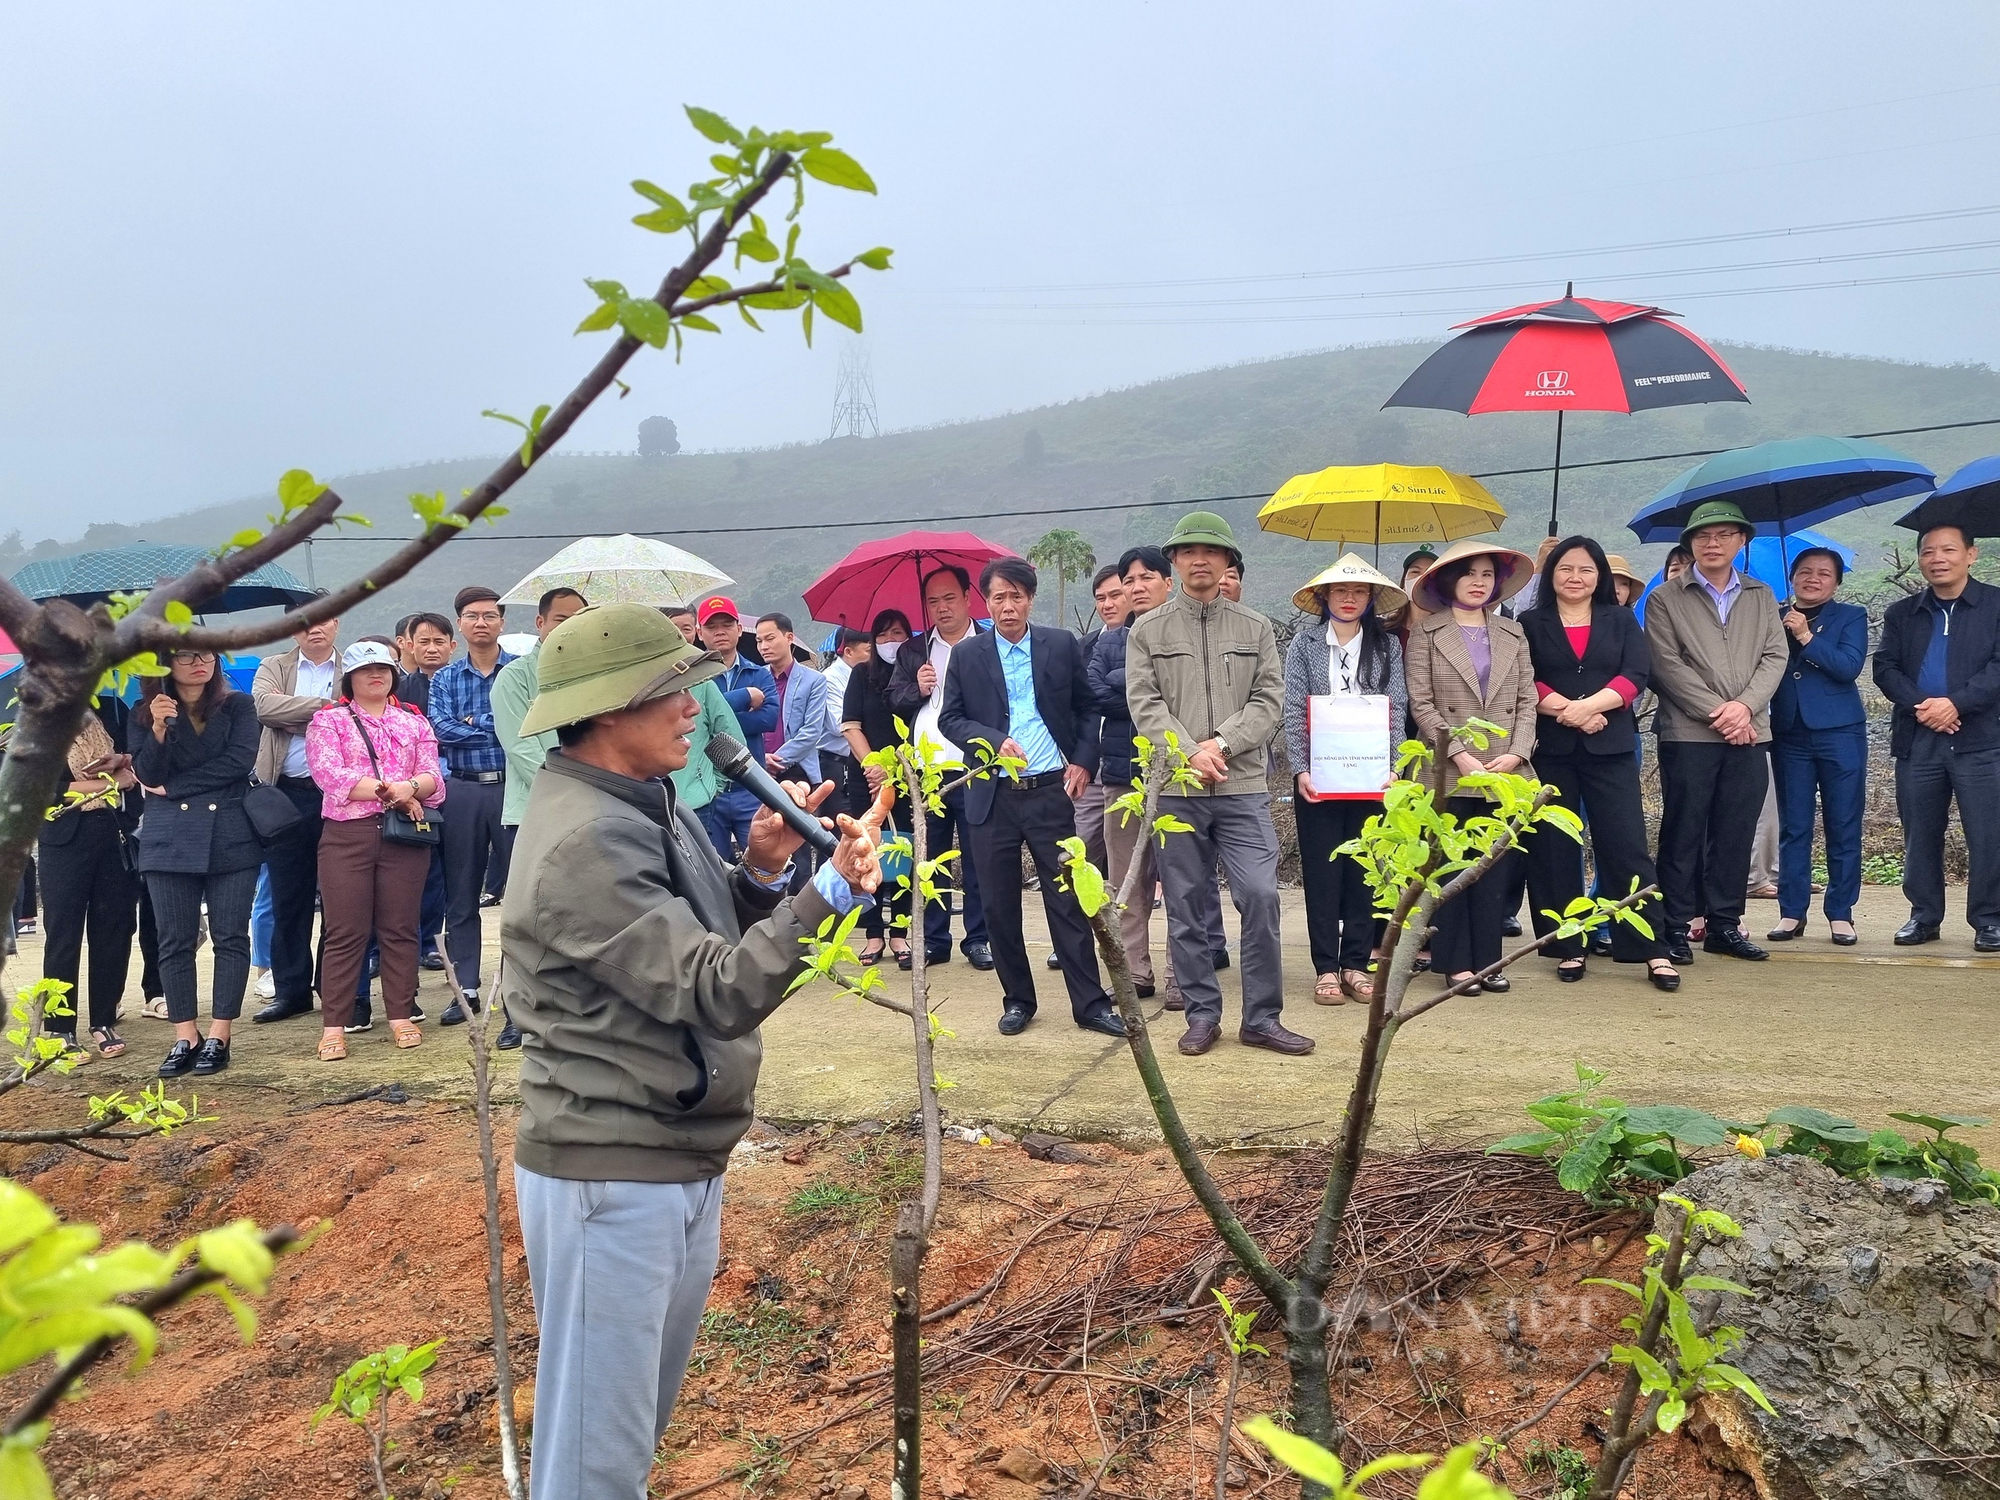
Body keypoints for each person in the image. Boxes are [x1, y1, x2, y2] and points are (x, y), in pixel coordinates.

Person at [499, 603, 880, 1500]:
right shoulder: (587, 837)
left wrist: (757, 877)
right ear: (604, 710)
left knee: (625, 1436)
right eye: (672, 692)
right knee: (595, 1463)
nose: (694, 711)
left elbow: (691, 956)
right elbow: (720, 991)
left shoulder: (639, 802)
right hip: (612, 1170)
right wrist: (826, 892)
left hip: (668, 1154)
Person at [1126, 512, 1307, 1057]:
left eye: (1211, 550)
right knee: (1185, 903)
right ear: (1175, 562)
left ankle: (1262, 1018)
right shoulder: (1147, 630)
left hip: (1243, 785)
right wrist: (1188, 752)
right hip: (1178, 789)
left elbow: (1269, 701)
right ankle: (1203, 1014)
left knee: (1260, 895)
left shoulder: (1254, 628)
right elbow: (1144, 702)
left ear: (1229, 561)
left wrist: (1220, 745)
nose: (1199, 559)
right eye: (1187, 551)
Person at [938, 558, 1122, 1037]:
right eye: (998, 597)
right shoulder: (968, 654)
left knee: (1067, 900)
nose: (1008, 605)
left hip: (1049, 792)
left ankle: (1091, 1004)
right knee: (999, 905)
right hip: (991, 797)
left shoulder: (1059, 645)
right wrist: (991, 740)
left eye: (1016, 596)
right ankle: (1018, 999)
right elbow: (949, 719)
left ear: (1030, 599)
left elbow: (1088, 708)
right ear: (986, 602)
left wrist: (1083, 761)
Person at [1517, 537, 1677, 991]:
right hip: (1553, 750)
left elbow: (1635, 675)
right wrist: (1567, 710)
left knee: (1625, 845)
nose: (1575, 577)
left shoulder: (1621, 618)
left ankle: (1650, 948)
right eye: (1565, 568)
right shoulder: (1530, 622)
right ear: (1551, 575)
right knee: (1555, 849)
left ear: (1600, 577)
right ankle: (1567, 945)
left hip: (1610, 747)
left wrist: (1589, 710)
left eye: (1586, 570)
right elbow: (1524, 679)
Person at [1645, 500, 1788, 964]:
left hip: (1750, 733)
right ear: (1689, 545)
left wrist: (1744, 708)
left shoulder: (1761, 595)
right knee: (1684, 830)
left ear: (1742, 541)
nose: (1713, 543)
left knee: (1735, 830)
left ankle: (1725, 924)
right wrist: (1719, 713)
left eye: (1725, 535)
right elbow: (1666, 665)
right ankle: (1675, 926)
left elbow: (1774, 656)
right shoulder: (1666, 598)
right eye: (1703, 536)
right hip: (1689, 734)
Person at [1405, 540, 1538, 993]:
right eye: (1469, 574)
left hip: (1505, 771)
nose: (1479, 582)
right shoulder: (1426, 633)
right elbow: (1421, 703)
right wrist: (1458, 753)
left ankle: (1488, 961)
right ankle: (1454, 962)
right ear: (1449, 582)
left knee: (1494, 867)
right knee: (1452, 864)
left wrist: (1518, 754)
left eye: (1486, 574)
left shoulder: (1513, 633)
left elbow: (1527, 700)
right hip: (1448, 769)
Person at [304, 639, 446, 1060]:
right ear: (350, 678)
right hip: (348, 836)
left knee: (401, 927)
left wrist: (411, 788)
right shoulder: (328, 722)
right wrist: (399, 793)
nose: (376, 675)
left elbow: (433, 777)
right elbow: (330, 775)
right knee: (344, 931)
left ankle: (401, 1015)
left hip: (405, 837)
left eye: (383, 669)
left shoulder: (414, 722)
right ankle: (334, 1024)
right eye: (366, 670)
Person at [130, 647, 263, 1078]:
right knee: (174, 939)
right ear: (166, 665)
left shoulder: (238, 704)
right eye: (186, 656)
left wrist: (176, 787)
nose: (198, 663)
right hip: (168, 838)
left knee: (230, 936)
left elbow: (239, 762)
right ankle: (185, 1034)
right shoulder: (142, 711)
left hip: (230, 832)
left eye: (206, 654)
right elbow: (148, 775)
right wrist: (157, 729)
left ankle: (220, 1033)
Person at [1283, 554, 1407, 1005]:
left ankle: (1356, 963)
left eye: (1358, 591)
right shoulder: (1304, 644)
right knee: (1323, 871)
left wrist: (1394, 768)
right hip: (1320, 775)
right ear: (1324, 597)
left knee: (1365, 869)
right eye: (1340, 591)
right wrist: (1300, 769)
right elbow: (1294, 709)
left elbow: (1397, 710)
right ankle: (1325, 967)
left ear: (1371, 598)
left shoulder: (1387, 646)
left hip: (1373, 776)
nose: (1349, 598)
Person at [1872, 520, 2000, 950]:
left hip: (1981, 739)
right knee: (1920, 832)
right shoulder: (1902, 613)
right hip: (1918, 738)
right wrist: (1924, 707)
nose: (1937, 559)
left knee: (1988, 833)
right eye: (1928, 552)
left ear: (1971, 554)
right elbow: (1885, 668)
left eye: (1948, 550)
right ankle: (1924, 916)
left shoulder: (1995, 605)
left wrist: (1955, 704)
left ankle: (1989, 919)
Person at [484, 587, 592, 1049]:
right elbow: (521, 746)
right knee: (526, 918)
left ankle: (574, 1007)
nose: (568, 627)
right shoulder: (514, 679)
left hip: (591, 811)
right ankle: (517, 1013)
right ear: (541, 625)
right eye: (560, 618)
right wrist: (579, 784)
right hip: (532, 811)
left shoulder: (592, 675)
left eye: (579, 619)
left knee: (584, 913)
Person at [886, 566, 994, 970]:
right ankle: (934, 939)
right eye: (933, 601)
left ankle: (979, 938)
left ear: (968, 597)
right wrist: (918, 686)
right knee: (930, 857)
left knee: (977, 855)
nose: (942, 608)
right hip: (928, 771)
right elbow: (893, 701)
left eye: (950, 598)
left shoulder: (988, 642)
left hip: (975, 766)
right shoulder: (913, 651)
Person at [1766, 546, 1867, 945]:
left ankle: (1841, 913)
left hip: (1840, 731)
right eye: (1805, 572)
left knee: (1843, 824)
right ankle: (1791, 913)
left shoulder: (1851, 616)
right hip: (1790, 733)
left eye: (1824, 573)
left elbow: (1848, 667)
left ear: (1837, 582)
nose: (1813, 579)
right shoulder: (1774, 617)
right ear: (1792, 578)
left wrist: (1805, 635)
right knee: (1795, 828)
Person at [1091, 547, 1178, 1003]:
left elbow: (1176, 696)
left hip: (1178, 777)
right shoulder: (1106, 641)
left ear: (1168, 581)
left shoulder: (1186, 632)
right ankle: (1134, 972)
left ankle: (1180, 975)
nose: (1135, 587)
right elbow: (1095, 694)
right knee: (1126, 881)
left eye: (1146, 577)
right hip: (1122, 773)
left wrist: (1126, 683)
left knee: (1182, 879)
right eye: (1129, 579)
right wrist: (1139, 686)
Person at [38, 696, 142, 1059]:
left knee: (114, 929)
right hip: (63, 837)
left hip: (112, 832)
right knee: (64, 933)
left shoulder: (113, 708)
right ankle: (59, 1028)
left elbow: (134, 768)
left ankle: (103, 1018)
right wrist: (107, 784)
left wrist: (124, 767)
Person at [429, 586, 517, 1019]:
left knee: (518, 894)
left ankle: (517, 990)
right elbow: (440, 729)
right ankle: (465, 987)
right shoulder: (444, 677)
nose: (480, 622)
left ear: (502, 622)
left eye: (489, 615)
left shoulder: (520, 673)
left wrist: (472, 722)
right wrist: (494, 724)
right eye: (471, 616)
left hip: (513, 788)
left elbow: (525, 727)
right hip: (461, 791)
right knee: (460, 893)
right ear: (459, 625)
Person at [249, 615, 340, 1026]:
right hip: (286, 793)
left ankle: (335, 987)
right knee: (288, 896)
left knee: (342, 899)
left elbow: (353, 716)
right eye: (303, 623)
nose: (313, 628)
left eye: (323, 620)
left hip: (342, 797)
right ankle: (291, 991)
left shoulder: (351, 665)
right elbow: (264, 707)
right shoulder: (275, 666)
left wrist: (294, 717)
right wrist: (323, 709)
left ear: (336, 622)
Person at [841, 609, 915, 966]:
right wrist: (875, 766)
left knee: (901, 848)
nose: (890, 642)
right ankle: (872, 934)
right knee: (864, 848)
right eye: (882, 635)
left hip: (908, 777)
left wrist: (895, 771)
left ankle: (900, 934)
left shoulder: (918, 674)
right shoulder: (861, 674)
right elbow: (850, 725)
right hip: (866, 777)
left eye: (898, 633)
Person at [694, 596, 779, 860]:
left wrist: (714, 719)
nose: (720, 631)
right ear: (699, 633)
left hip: (751, 787)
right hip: (711, 791)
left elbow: (768, 719)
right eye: (711, 626)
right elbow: (695, 716)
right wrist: (744, 697)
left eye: (727, 624)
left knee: (764, 863)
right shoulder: (696, 677)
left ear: (739, 629)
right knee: (713, 868)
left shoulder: (760, 673)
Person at [754, 613, 845, 785]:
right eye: (759, 641)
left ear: (789, 637)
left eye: (770, 639)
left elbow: (811, 731)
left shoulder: (814, 680)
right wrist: (760, 759)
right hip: (759, 769)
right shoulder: (755, 678)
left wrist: (775, 762)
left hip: (797, 770)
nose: (764, 646)